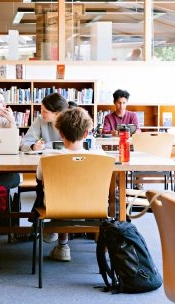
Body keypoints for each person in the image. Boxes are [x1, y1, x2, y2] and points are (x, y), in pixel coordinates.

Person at [36, 107, 107, 262]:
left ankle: (60, 240)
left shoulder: (48, 156)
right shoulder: (101, 157)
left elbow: (39, 177)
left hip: (57, 206)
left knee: (57, 189)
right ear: (86, 133)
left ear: (60, 133)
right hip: (92, 206)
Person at [20, 93, 76, 214]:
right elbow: (24, 143)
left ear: (57, 113)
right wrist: (33, 146)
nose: (41, 114)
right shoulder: (40, 120)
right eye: (41, 110)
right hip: (48, 166)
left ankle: (43, 217)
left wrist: (46, 146)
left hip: (70, 165)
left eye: (45, 111)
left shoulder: (72, 121)